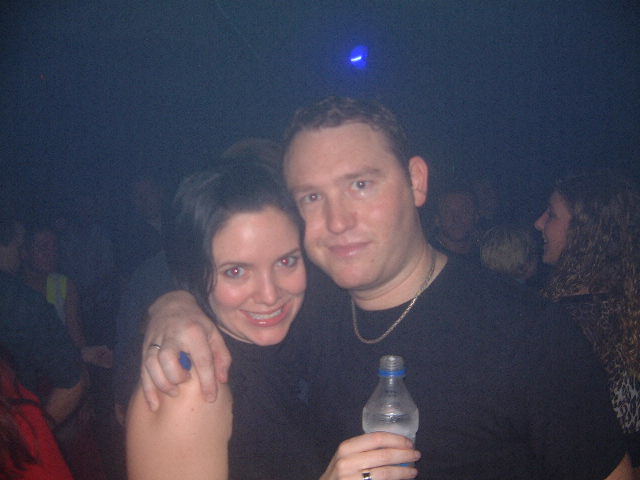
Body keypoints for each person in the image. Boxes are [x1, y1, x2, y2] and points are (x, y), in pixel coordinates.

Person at [141, 97, 631, 479]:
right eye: (312, 197)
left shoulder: (528, 335)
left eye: (360, 184)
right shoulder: (293, 309)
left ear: (416, 181)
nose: (337, 220)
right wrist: (174, 305)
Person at [127, 161, 420, 480]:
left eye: (286, 261)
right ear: (195, 272)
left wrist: (169, 304)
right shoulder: (190, 389)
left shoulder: (297, 336)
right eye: (236, 271)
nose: (269, 295)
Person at [534, 170, 640, 470]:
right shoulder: (626, 302)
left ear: (585, 231)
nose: (538, 223)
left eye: (552, 214)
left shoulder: (560, 320)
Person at [0, 217, 86, 428]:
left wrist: (84, 397)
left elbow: (75, 341)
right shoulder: (15, 294)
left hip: (57, 385)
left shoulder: (63, 285)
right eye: (42, 247)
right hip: (24, 393)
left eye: (55, 246)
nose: (51, 252)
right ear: (24, 252)